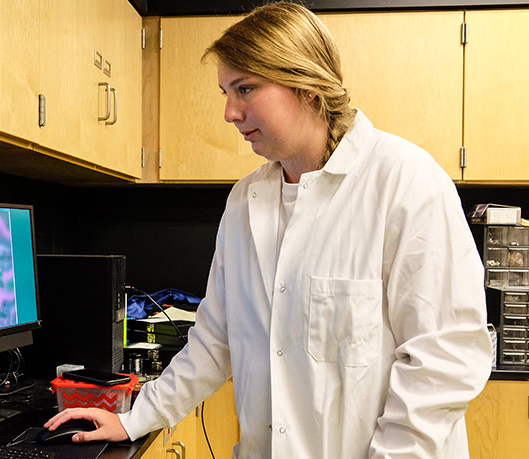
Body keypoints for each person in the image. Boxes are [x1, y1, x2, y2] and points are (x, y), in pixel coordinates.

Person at [45, 2, 493, 457]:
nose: (229, 112)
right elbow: (214, 339)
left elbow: (444, 360)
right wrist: (134, 419)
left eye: (244, 88)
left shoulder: (405, 182)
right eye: (225, 91)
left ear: (306, 85)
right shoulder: (246, 201)